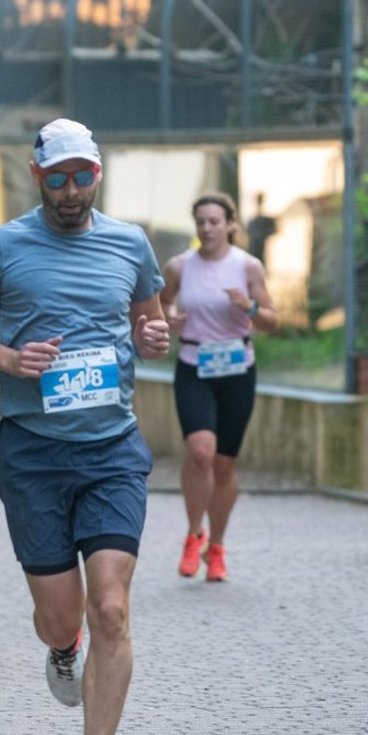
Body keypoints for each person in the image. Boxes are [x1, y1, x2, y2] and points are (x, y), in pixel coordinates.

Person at [0, 117, 170, 735]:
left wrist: (154, 335)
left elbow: (148, 321)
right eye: (58, 178)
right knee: (62, 617)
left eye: (84, 177)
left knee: (112, 608)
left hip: (111, 452)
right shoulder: (5, 245)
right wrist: (9, 360)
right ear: (38, 177)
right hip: (34, 454)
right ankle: (62, 648)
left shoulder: (131, 243)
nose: (72, 191)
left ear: (97, 175)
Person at [161, 192, 278, 582]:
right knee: (200, 451)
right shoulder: (180, 266)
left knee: (225, 463)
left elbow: (272, 321)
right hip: (194, 365)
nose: (207, 229)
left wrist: (247, 306)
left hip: (237, 369)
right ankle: (194, 534)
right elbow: (157, 306)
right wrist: (169, 319)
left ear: (230, 224)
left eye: (214, 221)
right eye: (200, 222)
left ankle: (218, 546)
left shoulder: (248, 266)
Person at [245, 192, 277, 265]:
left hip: (261, 251)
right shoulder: (253, 221)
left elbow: (273, 231)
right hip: (254, 251)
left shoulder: (262, 220)